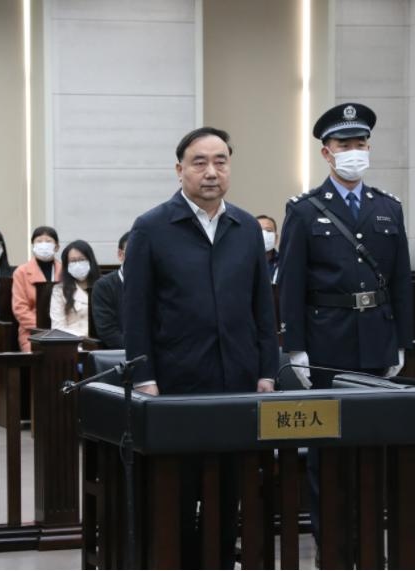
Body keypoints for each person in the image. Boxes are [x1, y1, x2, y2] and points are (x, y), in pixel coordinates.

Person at [123, 126, 278, 568]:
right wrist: (145, 378)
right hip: (177, 384)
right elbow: (136, 312)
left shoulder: (245, 228)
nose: (211, 172)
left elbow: (262, 308)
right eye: (200, 162)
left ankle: (220, 561)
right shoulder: (151, 228)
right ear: (179, 170)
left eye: (220, 162)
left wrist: (267, 371)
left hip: (238, 382)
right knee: (179, 489)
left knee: (230, 489)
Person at [277, 102, 413, 563]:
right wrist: (295, 347)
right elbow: (291, 284)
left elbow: (400, 281)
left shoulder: (388, 207)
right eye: (344, 144)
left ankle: (369, 540)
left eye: (360, 143)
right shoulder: (304, 209)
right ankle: (332, 544)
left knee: (373, 446)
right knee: (328, 452)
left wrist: (402, 342)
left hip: (376, 339)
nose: (354, 151)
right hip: (325, 343)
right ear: (326, 152)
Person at [11, 226, 62, 351]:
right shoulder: (21, 272)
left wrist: (58, 327)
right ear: (33, 246)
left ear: (57, 247)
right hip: (32, 332)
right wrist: (45, 328)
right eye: (39, 241)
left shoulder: (64, 270)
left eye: (48, 241)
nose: (43, 245)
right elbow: (20, 309)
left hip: (62, 331)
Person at [49, 239, 101, 337]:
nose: (78, 264)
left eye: (82, 259)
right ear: (66, 265)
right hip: (72, 342)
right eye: (73, 261)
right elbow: (57, 327)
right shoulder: (59, 290)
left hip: (100, 341)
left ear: (90, 261)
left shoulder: (103, 286)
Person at [91, 231, 129, 348]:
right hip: (120, 352)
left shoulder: (155, 282)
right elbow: (107, 330)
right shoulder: (104, 286)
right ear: (120, 254)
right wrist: (135, 350)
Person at [256, 214, 280, 283]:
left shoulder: (285, 263)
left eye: (268, 230)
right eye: (259, 230)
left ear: (276, 238)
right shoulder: (243, 263)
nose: (263, 234)